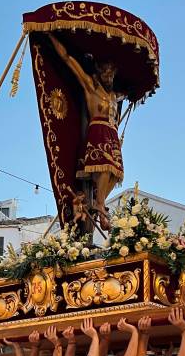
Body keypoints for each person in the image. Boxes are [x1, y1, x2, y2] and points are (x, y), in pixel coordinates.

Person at [48, 34, 126, 230]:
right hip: (98, 129)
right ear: (99, 72)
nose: (109, 77)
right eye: (106, 73)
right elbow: (68, 59)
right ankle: (100, 205)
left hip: (112, 133)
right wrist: (51, 36)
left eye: (112, 74)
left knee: (115, 174)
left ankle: (99, 202)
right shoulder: (91, 87)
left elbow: (129, 92)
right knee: (105, 165)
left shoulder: (114, 96)